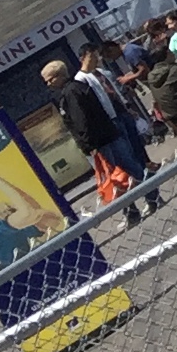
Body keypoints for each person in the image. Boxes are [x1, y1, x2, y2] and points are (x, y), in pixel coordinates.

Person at [45, 58, 157, 224]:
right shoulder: (78, 87)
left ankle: (133, 211)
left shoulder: (70, 93)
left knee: (113, 178)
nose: (48, 84)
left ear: (60, 75)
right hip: (109, 134)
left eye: (50, 79)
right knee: (130, 167)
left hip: (99, 143)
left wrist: (89, 145)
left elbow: (81, 121)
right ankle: (150, 198)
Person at [76, 46, 166, 212]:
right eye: (91, 56)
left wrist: (127, 107)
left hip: (122, 114)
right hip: (111, 122)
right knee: (125, 161)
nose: (96, 58)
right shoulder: (81, 79)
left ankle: (152, 195)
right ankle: (137, 202)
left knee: (136, 154)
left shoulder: (101, 72)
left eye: (96, 55)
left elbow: (114, 92)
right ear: (83, 58)